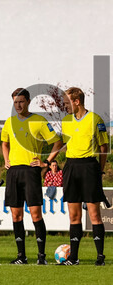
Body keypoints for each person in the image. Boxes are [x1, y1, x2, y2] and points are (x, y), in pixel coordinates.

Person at [0, 88, 62, 264]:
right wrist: (6, 159)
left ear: (28, 101)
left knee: (35, 214)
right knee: (16, 215)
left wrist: (46, 163)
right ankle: (21, 256)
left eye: (21, 102)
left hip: (30, 172)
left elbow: (58, 142)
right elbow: (4, 143)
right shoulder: (9, 122)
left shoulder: (39, 120)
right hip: (13, 173)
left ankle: (41, 256)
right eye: (15, 102)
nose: (18, 105)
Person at [47, 87, 108, 265]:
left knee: (94, 214)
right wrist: (50, 161)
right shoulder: (66, 121)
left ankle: (100, 257)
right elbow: (64, 144)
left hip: (89, 167)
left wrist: (100, 170)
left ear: (77, 102)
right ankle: (73, 257)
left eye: (67, 103)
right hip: (71, 167)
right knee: (74, 216)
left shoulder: (95, 119)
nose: (64, 106)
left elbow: (103, 148)